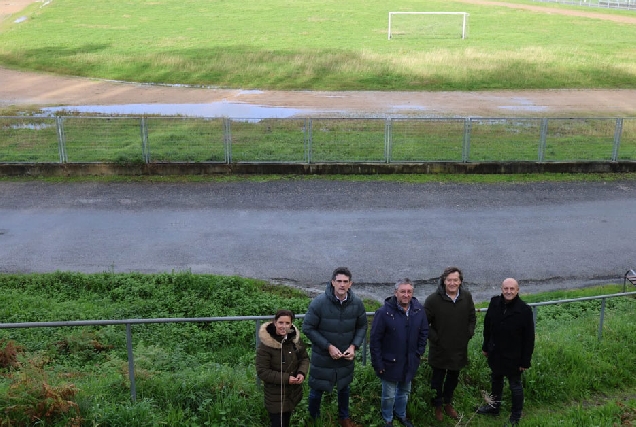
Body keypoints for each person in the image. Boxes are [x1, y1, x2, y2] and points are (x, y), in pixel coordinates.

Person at [302, 267, 368, 427]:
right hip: (323, 356)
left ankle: (344, 418)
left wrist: (354, 346)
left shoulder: (357, 304)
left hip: (345, 356)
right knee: (317, 390)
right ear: (333, 282)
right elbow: (308, 327)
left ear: (350, 284)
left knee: (344, 388)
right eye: (339, 281)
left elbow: (362, 326)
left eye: (346, 281)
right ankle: (314, 419)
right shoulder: (319, 302)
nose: (342, 285)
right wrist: (328, 346)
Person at [370, 278, 428, 427]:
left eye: (409, 291)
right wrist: (378, 363)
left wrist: (419, 352)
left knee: (404, 392)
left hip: (409, 361)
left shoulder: (418, 310)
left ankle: (401, 415)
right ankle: (387, 418)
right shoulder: (383, 313)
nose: (406, 295)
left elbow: (424, 332)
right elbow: (375, 340)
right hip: (389, 362)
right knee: (388, 395)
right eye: (403, 291)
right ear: (396, 293)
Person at [477, 278, 535, 426]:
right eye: (506, 289)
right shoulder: (494, 302)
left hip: (514, 356)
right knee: (496, 380)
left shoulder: (524, 310)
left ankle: (515, 416)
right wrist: (485, 347)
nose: (508, 292)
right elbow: (487, 326)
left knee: (515, 385)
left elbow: (529, 337)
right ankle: (494, 407)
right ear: (501, 289)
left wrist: (525, 361)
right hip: (495, 352)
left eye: (512, 289)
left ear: (517, 290)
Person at [424, 266, 476, 422]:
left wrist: (468, 333)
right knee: (437, 379)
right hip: (439, 349)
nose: (452, 283)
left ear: (460, 281)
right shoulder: (433, 300)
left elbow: (472, 318)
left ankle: (448, 403)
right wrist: (436, 339)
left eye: (455, 280)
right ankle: (437, 405)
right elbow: (424, 324)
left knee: (453, 378)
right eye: (449, 280)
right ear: (443, 281)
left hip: (459, 348)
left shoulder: (466, 297)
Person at [256, 309, 310, 427]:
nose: (284, 326)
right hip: (275, 396)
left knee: (286, 421)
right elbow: (262, 371)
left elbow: (304, 358)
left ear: (291, 324)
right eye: (281, 323)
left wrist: (301, 372)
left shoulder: (295, 340)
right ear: (275, 322)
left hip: (292, 393)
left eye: (287, 323)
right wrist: (287, 379)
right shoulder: (265, 346)